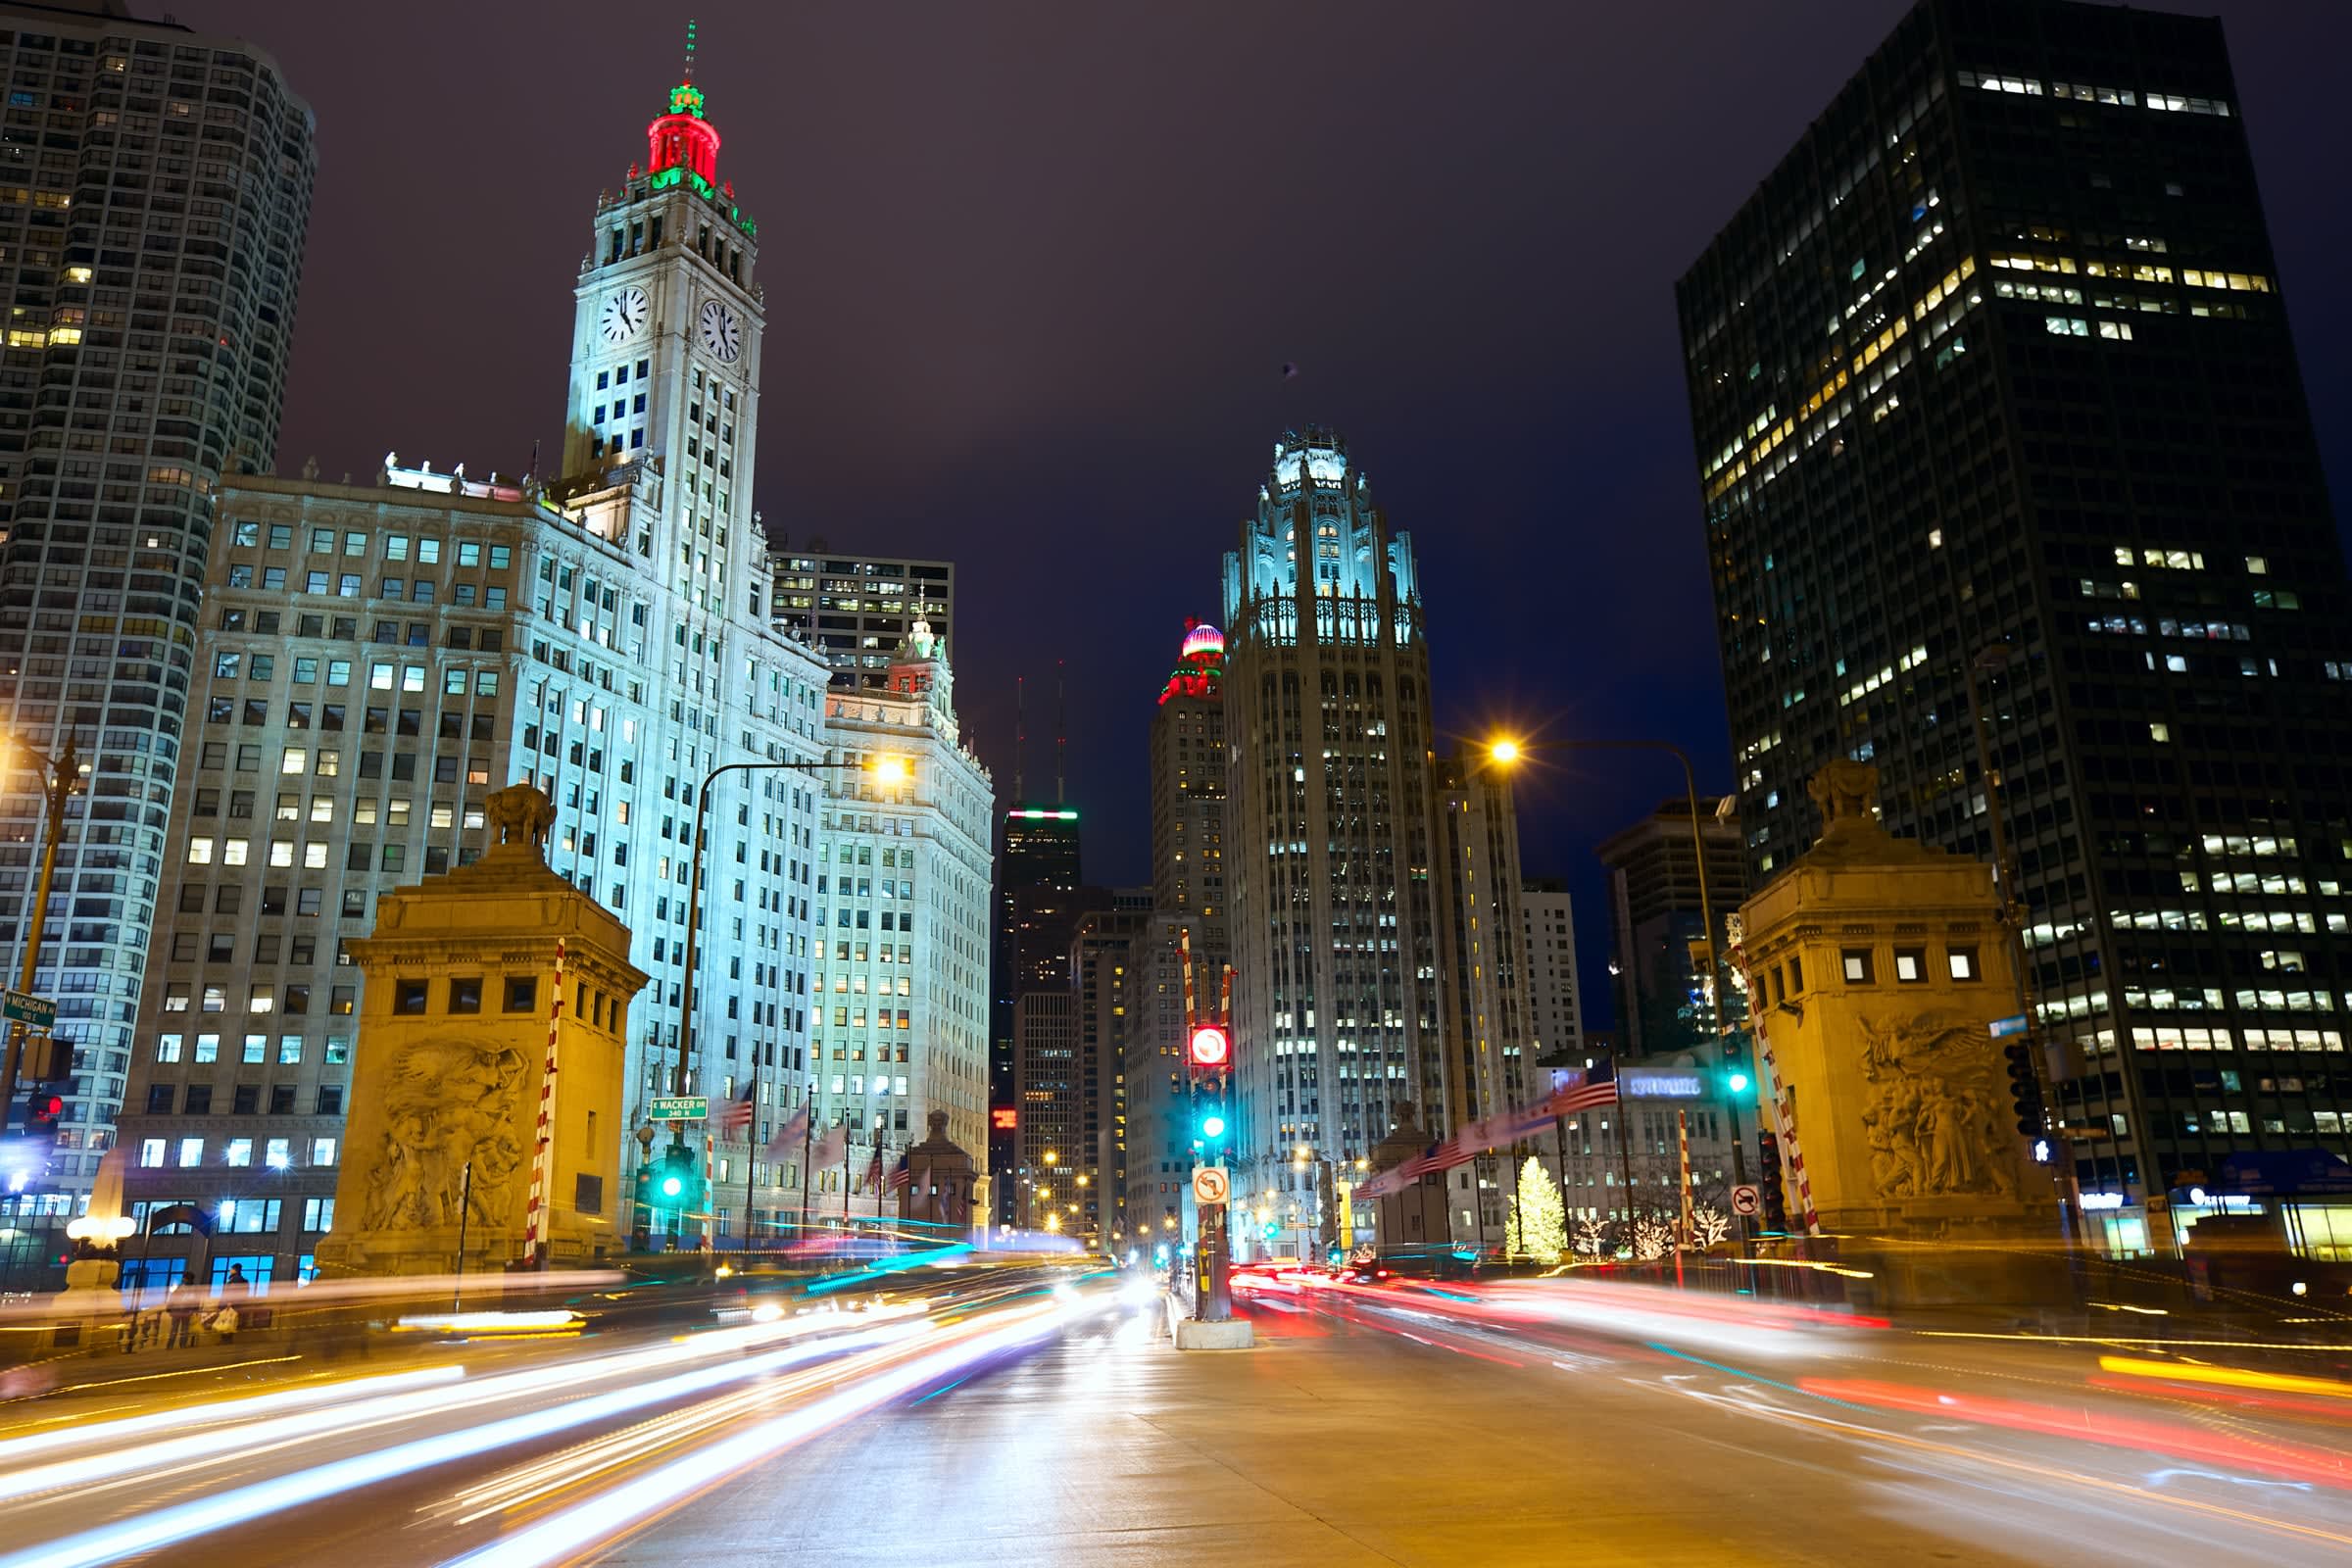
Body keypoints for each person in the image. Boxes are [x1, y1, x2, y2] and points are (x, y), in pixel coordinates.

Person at [164, 1281, 198, 1349]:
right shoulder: (192, 1289)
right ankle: (183, 1345)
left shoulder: (178, 1289)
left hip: (176, 1311)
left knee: (174, 1329)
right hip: (186, 1311)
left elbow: (172, 1299)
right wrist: (194, 1309)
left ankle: (170, 1345)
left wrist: (168, 1309)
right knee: (185, 1328)